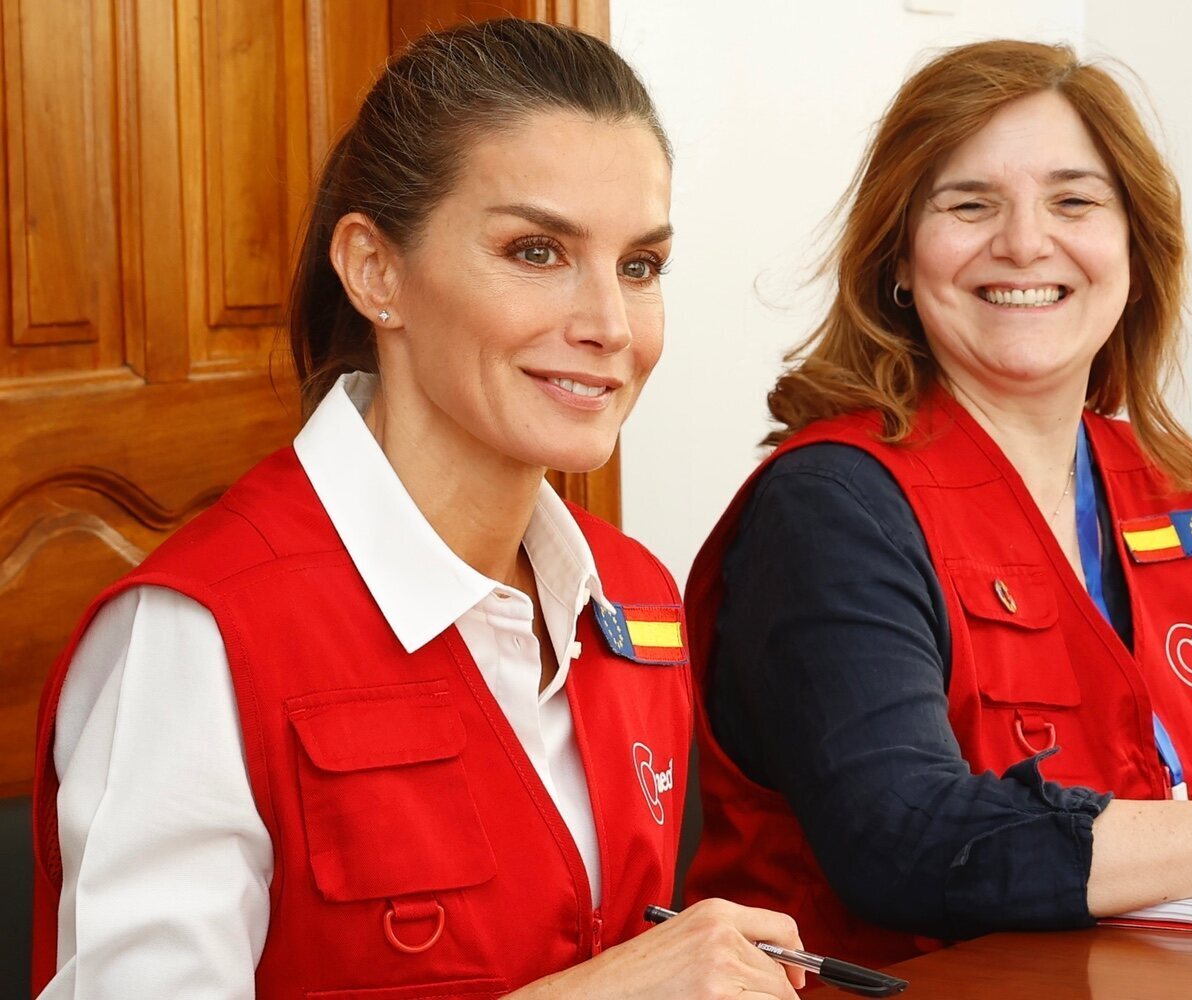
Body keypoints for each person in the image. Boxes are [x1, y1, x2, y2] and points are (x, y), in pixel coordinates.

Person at [30, 20, 805, 1000]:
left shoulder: (636, 601)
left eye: (639, 267)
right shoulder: (197, 637)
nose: (609, 325)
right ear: (374, 271)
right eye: (536, 251)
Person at [682, 39, 1192, 968]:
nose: (1025, 242)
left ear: (1134, 254)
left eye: (1074, 201)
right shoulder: (831, 508)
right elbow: (904, 838)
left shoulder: (1176, 487)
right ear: (898, 259)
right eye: (969, 204)